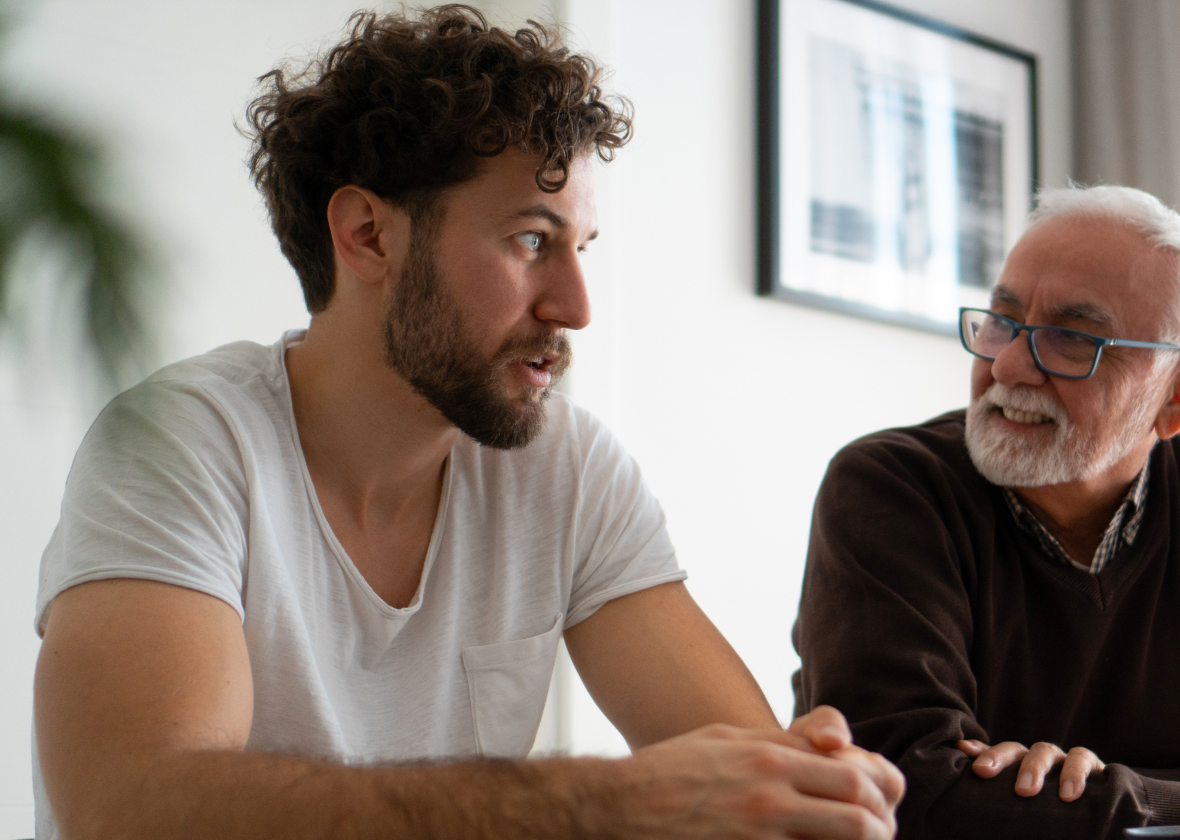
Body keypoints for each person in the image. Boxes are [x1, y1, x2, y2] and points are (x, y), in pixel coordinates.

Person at [32, 7, 902, 840]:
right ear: (368, 236)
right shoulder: (183, 444)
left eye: (580, 248)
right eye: (531, 241)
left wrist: (818, 787)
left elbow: (753, 788)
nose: (576, 307)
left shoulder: (566, 467)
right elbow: (133, 810)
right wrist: (604, 806)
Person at [791, 185, 1180, 838]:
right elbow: (900, 793)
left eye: (1070, 338)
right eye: (1002, 320)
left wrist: (1110, 790)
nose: (1008, 366)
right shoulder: (889, 488)